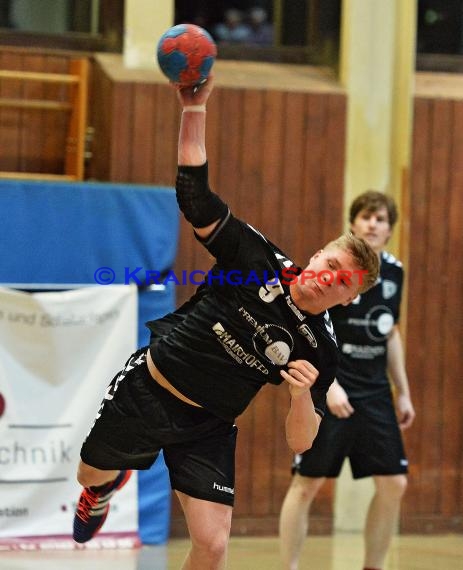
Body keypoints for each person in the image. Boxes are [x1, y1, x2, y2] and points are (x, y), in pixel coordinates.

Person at [71, 76, 379, 570]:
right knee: (88, 473)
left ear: (350, 297)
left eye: (344, 281)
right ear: (316, 255)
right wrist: (195, 108)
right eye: (330, 264)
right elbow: (195, 197)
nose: (330, 279)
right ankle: (105, 487)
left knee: (213, 545)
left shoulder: (320, 350)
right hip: (150, 387)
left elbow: (301, 442)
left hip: (208, 425)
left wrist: (302, 397)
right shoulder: (255, 257)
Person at [279, 190, 415, 570]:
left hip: (375, 393)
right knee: (307, 484)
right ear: (353, 224)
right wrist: (329, 384)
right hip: (332, 387)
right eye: (366, 217)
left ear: (389, 230)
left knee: (394, 483)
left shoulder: (395, 272)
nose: (373, 223)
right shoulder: (334, 271)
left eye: (381, 219)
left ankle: (373, 565)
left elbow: (390, 333)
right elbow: (306, 328)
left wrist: (402, 392)